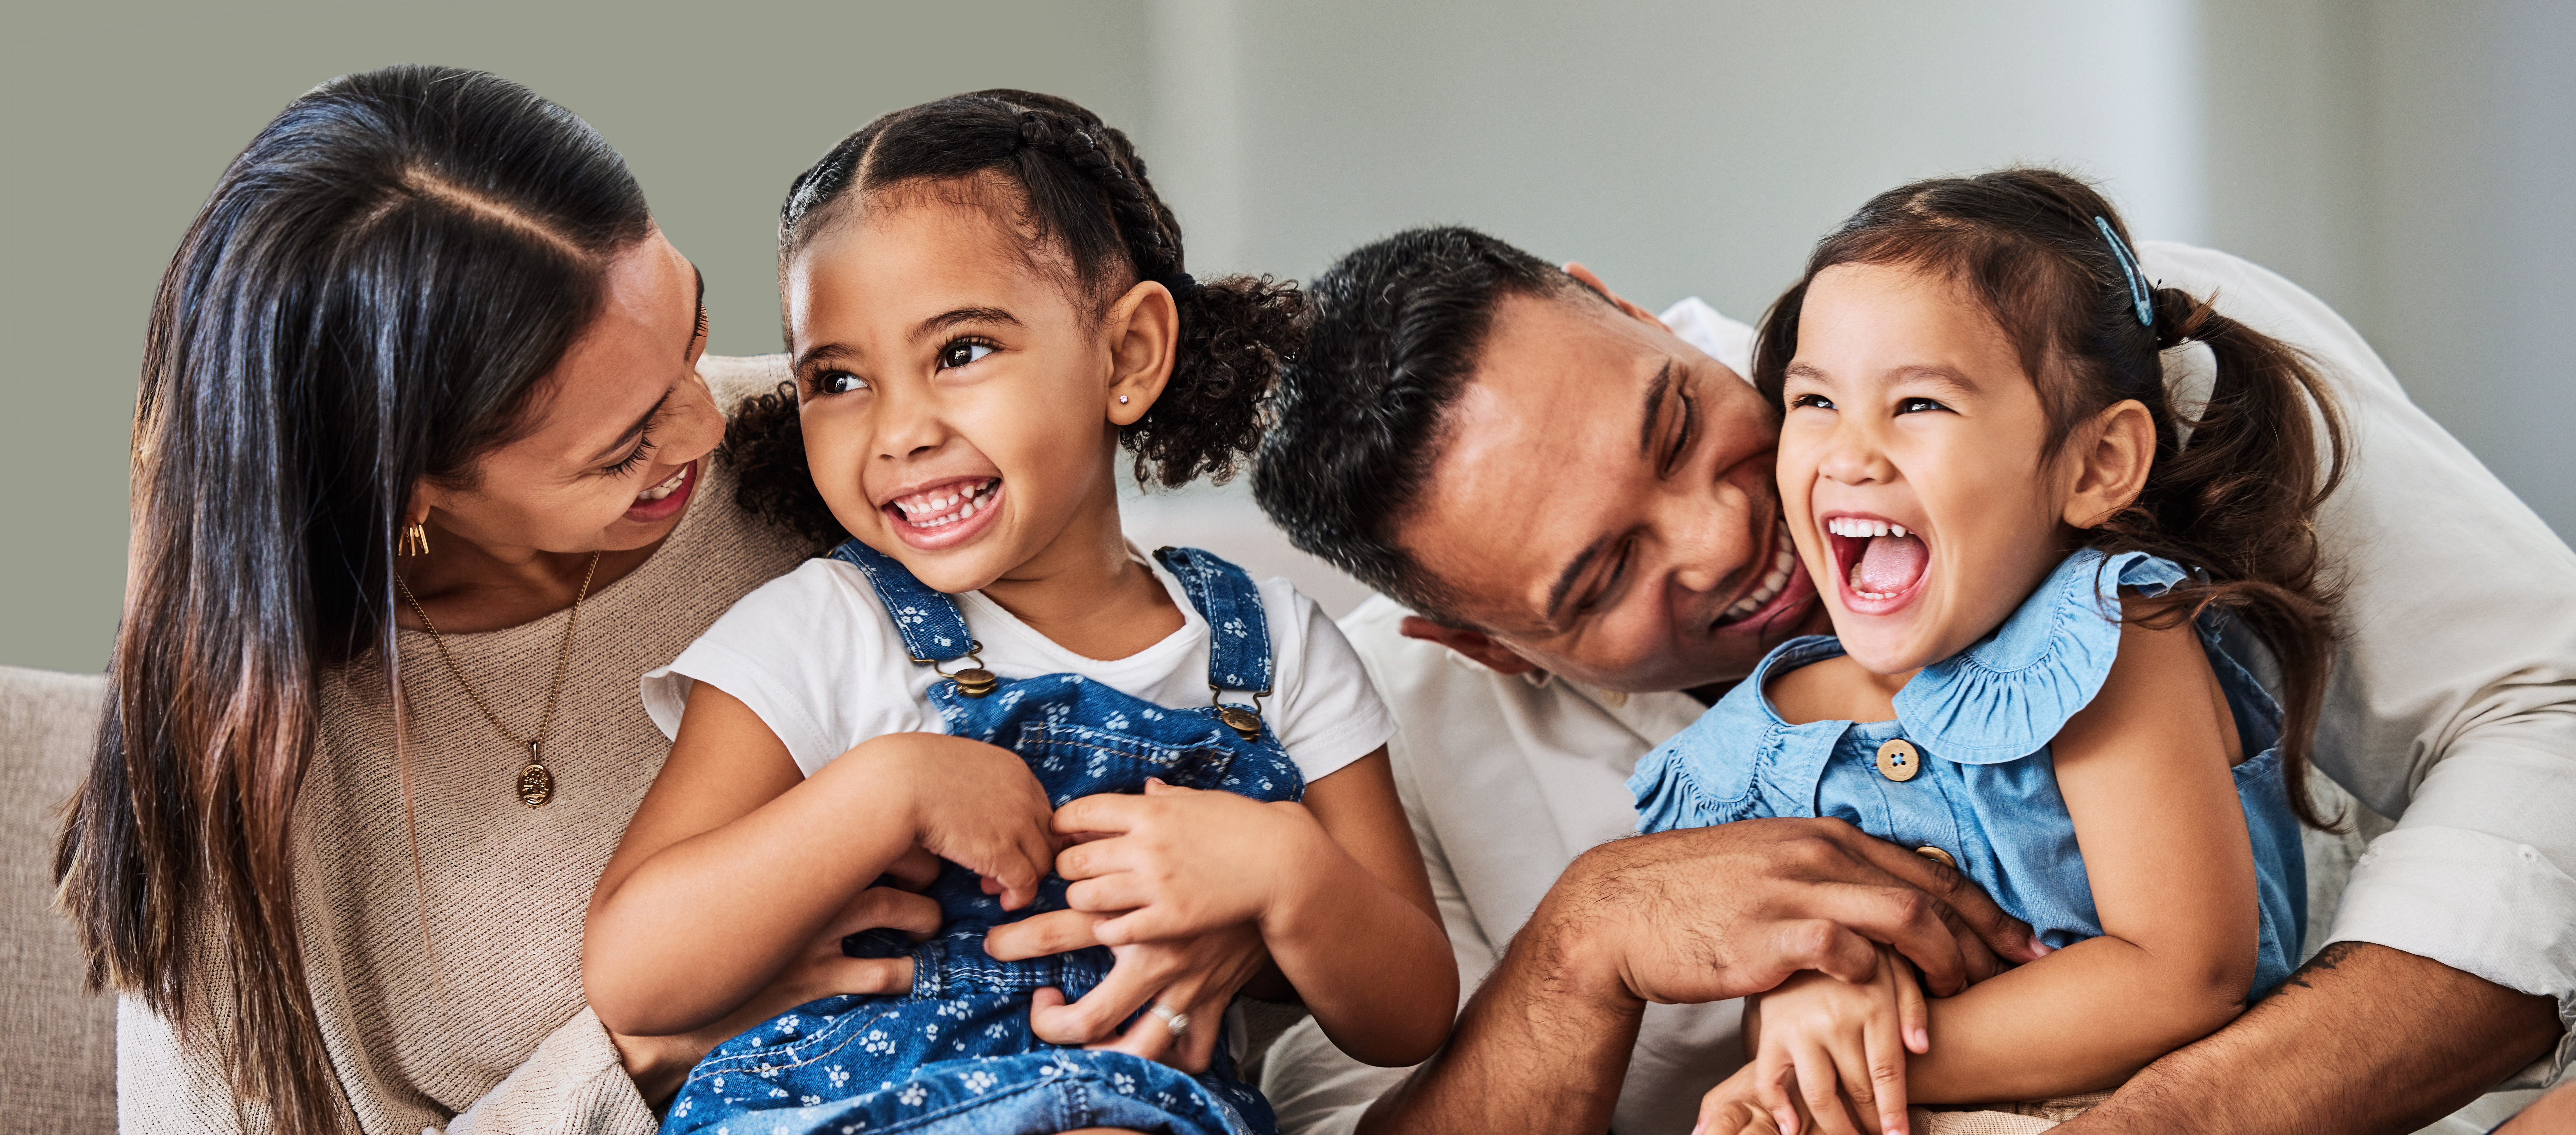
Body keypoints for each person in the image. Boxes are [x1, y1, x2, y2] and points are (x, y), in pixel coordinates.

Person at [1250, 207, 2574, 1129]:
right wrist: (1577, 949)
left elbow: (2543, 709)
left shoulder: (2068, 351)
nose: (1728, 539)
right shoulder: (1382, 741)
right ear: (1479, 645)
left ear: (1620, 307)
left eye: (1674, 422)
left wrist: (2191, 1114)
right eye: (1601, 581)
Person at [49, 66, 901, 1135]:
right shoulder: (252, 770)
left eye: (692, 331)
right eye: (624, 449)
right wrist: (637, 1051)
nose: (708, 427)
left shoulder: (833, 450)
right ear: (412, 488)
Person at [582, 91, 1454, 1135]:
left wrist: (1286, 873)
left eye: (959, 351)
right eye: (839, 378)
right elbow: (635, 973)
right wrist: (885, 789)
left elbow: (1408, 1013)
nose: (899, 430)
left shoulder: (1272, 652)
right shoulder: (823, 628)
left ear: (1127, 355)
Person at [1640, 170, 2339, 1135]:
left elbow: (2183, 974)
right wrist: (1805, 1004)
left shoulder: (2107, 641)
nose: (1849, 455)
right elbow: (1794, 965)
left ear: (2094, 466)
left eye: (1918, 405)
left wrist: (1846, 1072)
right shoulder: (1773, 729)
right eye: (1813, 402)